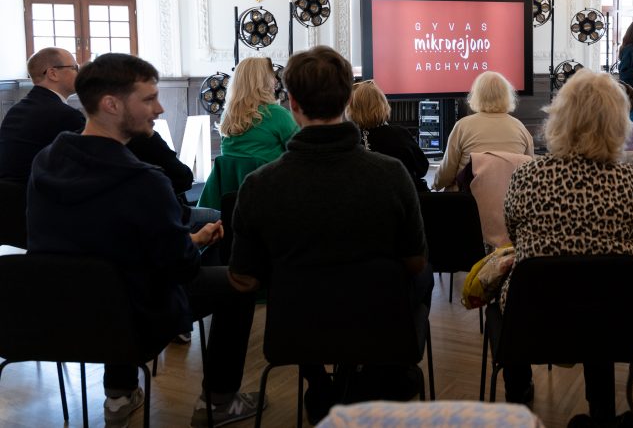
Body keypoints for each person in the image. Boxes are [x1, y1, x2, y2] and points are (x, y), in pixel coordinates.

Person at [26, 53, 259, 428]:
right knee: (238, 282)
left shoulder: (46, 160)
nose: (160, 107)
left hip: (59, 312)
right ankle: (219, 400)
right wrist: (195, 240)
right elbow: (180, 267)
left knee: (116, 270)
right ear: (111, 104)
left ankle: (119, 395)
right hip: (133, 314)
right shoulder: (144, 181)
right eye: (149, 98)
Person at [227, 46, 430, 424]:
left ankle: (319, 381)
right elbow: (415, 261)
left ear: (292, 104)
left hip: (297, 329)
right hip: (378, 324)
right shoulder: (391, 175)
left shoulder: (259, 186)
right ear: (347, 99)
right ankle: (377, 376)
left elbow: (243, 278)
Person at [499, 69, 633, 423]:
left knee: (523, 281)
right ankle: (602, 408)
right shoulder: (630, 181)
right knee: (598, 287)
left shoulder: (528, 176)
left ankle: (518, 390)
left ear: (559, 117)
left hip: (535, 316)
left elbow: (514, 235)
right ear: (618, 122)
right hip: (614, 317)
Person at [198, 57, 299, 209]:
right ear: (262, 81)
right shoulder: (277, 115)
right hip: (271, 200)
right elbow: (301, 151)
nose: (275, 82)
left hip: (229, 205)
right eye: (272, 77)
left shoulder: (228, 115)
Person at [432, 71, 534, 191]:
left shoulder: (463, 126)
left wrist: (435, 186)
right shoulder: (520, 128)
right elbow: (529, 171)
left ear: (477, 95)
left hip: (469, 202)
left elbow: (447, 173)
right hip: (509, 202)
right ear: (507, 95)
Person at [0, 47, 85, 183]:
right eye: (75, 68)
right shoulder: (66, 115)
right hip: (38, 197)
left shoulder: (16, 109)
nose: (79, 74)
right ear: (53, 73)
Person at [346, 80, 430, 191]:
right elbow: (422, 168)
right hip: (403, 199)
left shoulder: (348, 141)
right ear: (383, 105)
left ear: (351, 109)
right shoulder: (399, 134)